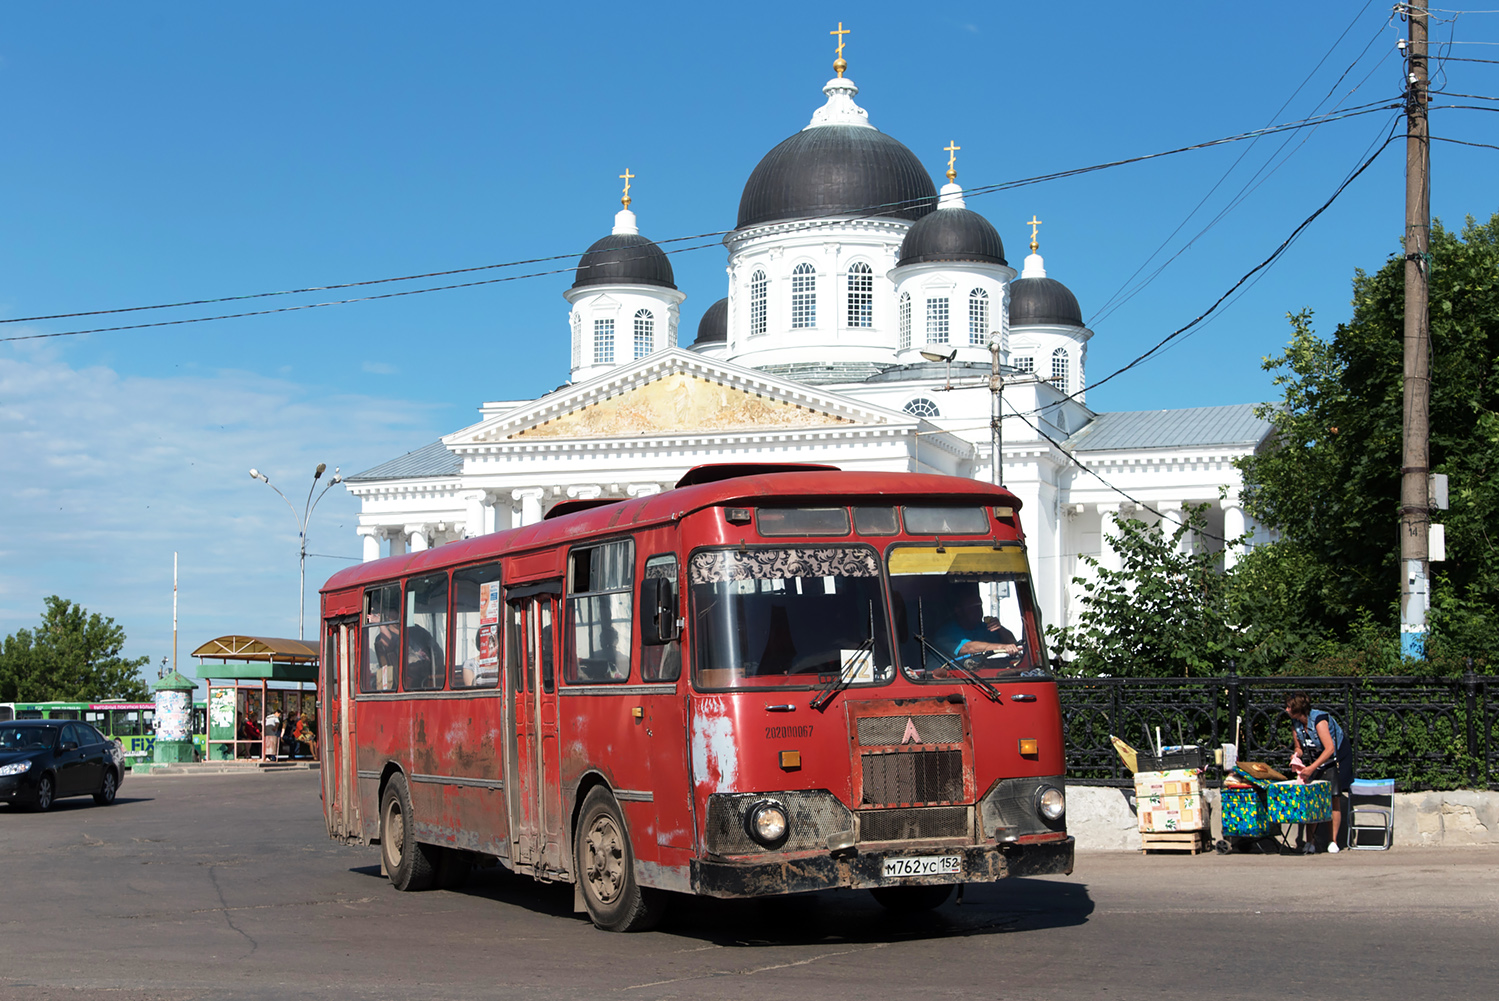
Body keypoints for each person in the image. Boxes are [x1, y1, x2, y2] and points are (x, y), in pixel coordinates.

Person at [1285, 691, 1353, 853]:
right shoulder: (1296, 724)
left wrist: (1311, 768)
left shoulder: (1319, 721)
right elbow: (1299, 747)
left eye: (1289, 707)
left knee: (1333, 796)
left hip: (1336, 759)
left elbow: (1329, 748)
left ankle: (1333, 841)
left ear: (1298, 709)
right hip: (1317, 760)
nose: (1286, 710)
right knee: (1312, 798)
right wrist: (1296, 755)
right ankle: (1311, 842)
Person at [932, 594, 1021, 661]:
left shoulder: (983, 628)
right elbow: (969, 648)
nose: (979, 611)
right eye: (973, 608)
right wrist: (1001, 647)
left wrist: (1000, 629)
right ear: (958, 610)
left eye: (980, 606)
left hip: (979, 677)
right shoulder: (947, 633)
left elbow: (1012, 642)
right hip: (942, 680)